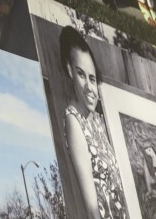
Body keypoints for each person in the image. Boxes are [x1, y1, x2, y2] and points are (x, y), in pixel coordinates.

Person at [59, 26, 129, 219]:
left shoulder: (98, 120)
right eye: (81, 74)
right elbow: (91, 210)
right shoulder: (74, 122)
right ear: (69, 70)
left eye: (92, 78)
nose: (89, 87)